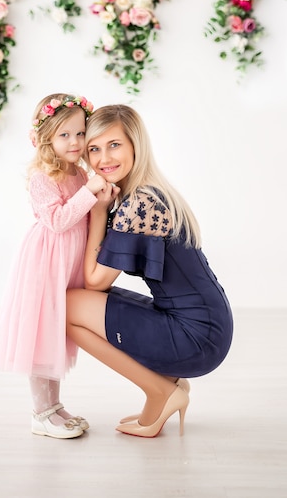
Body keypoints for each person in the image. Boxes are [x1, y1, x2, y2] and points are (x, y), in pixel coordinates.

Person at [66, 104, 233, 438]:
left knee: (68, 307)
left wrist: (99, 212)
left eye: (114, 145)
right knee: (73, 303)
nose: (103, 158)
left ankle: (160, 391)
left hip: (198, 336)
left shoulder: (138, 203)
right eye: (94, 149)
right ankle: (165, 384)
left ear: (135, 145)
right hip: (204, 324)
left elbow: (95, 282)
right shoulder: (144, 191)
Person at [0, 93, 108, 439]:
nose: (75, 142)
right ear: (47, 139)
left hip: (67, 264)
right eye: (64, 135)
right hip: (45, 262)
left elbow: (86, 214)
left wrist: (99, 195)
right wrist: (90, 192)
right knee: (42, 334)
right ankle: (40, 412)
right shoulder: (44, 174)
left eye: (80, 133)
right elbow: (57, 220)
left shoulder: (78, 172)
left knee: (57, 332)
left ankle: (53, 405)